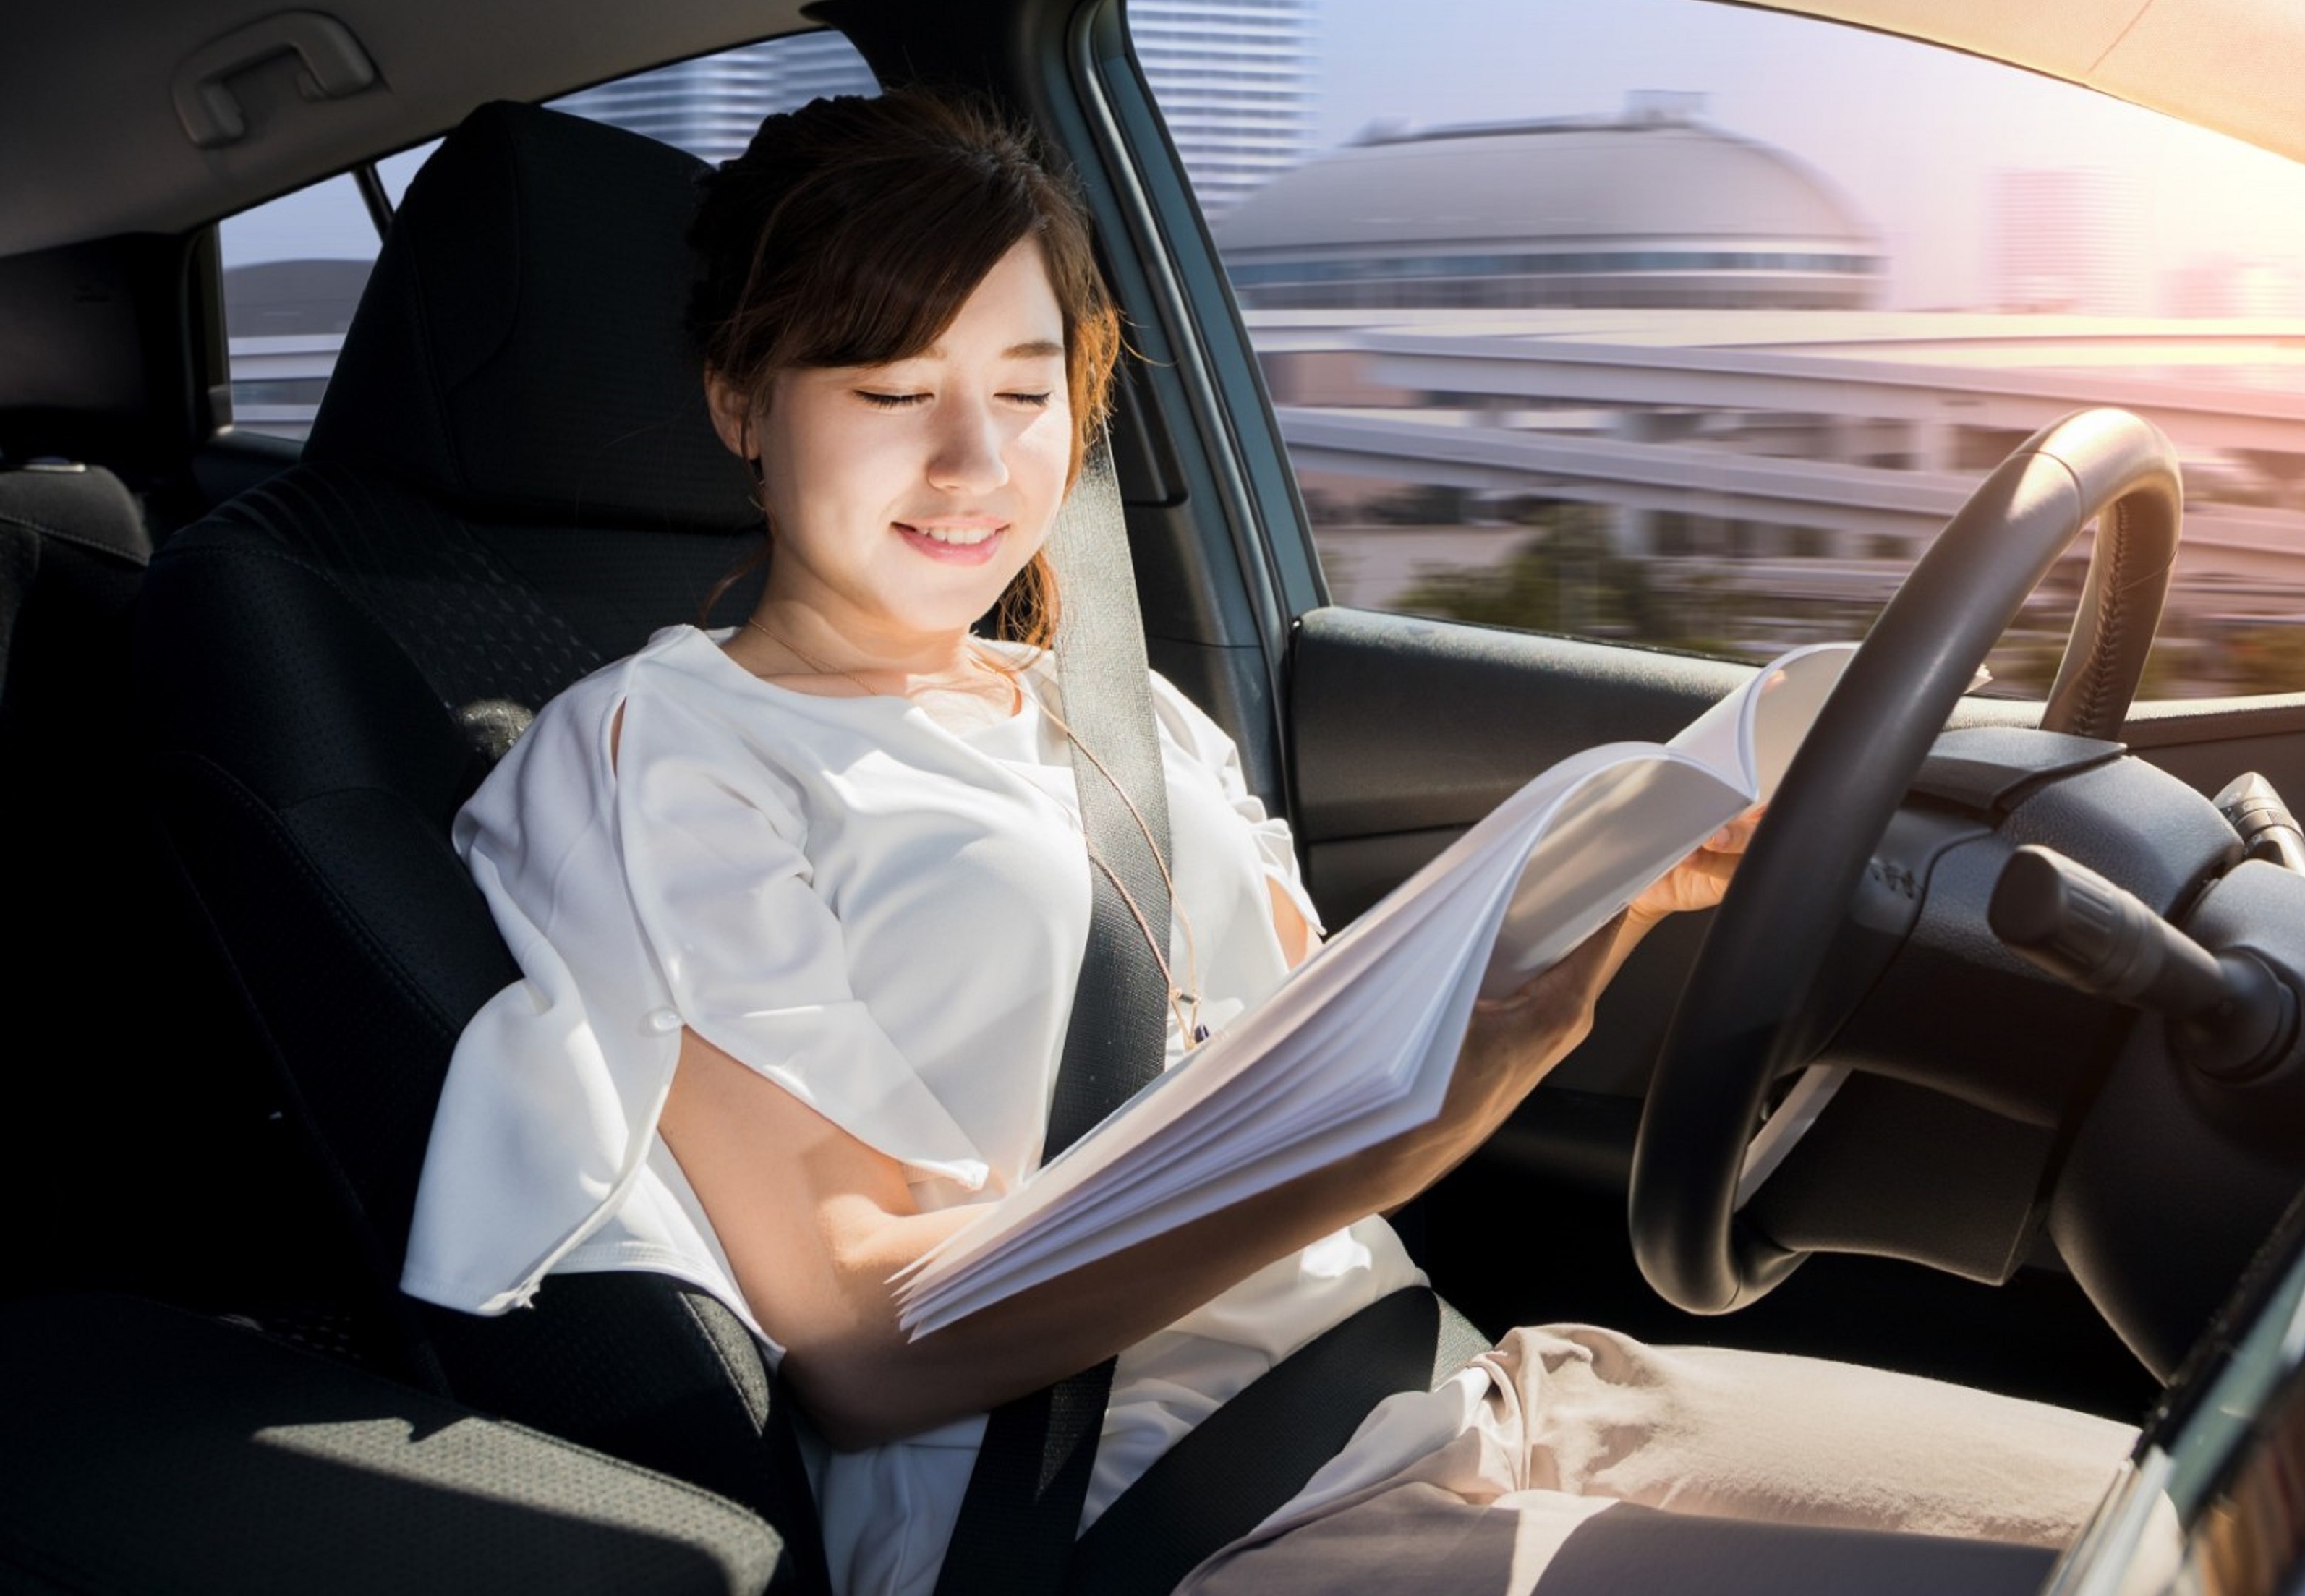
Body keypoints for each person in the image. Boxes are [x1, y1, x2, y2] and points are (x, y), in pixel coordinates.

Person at [401, 88, 2136, 1596]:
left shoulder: (1122, 714)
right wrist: (1428, 1113)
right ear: (741, 400)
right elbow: (865, 1338)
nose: (971, 459)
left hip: (1447, 1383)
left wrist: (1599, 904)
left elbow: (1303, 1049)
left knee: (2205, 1505)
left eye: (1022, 388)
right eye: (887, 385)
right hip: (1144, 1513)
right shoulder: (660, 753)